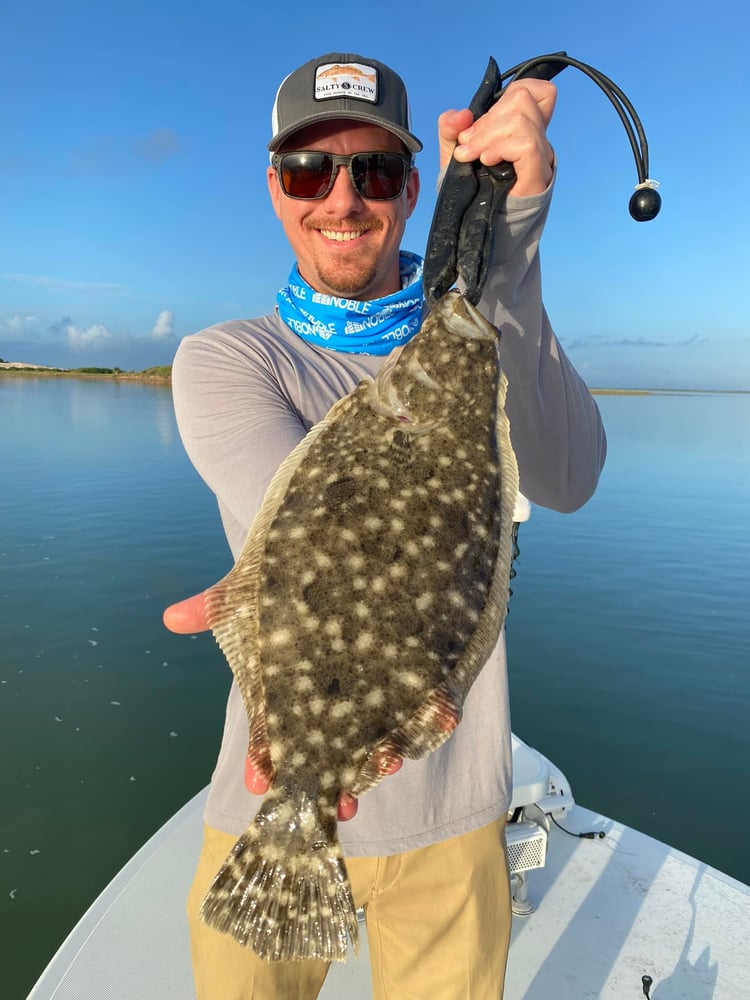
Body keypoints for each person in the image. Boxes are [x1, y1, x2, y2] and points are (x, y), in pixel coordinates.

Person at [163, 51, 606, 1000]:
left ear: (413, 191)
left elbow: (569, 479)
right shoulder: (229, 358)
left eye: (375, 172)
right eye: (309, 171)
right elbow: (321, 515)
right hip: (270, 804)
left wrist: (510, 242)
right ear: (277, 190)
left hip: (456, 819)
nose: (343, 198)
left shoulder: (482, 348)